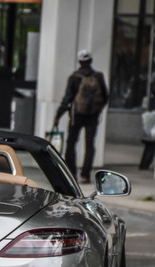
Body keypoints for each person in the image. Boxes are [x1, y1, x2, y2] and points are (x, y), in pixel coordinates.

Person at [54, 49, 109, 184]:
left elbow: (67, 98)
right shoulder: (99, 76)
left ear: (79, 62)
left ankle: (71, 173)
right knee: (89, 144)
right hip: (93, 116)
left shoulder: (74, 77)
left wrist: (58, 115)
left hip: (76, 115)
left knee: (71, 143)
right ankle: (85, 175)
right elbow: (106, 96)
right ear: (90, 61)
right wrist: (97, 110)